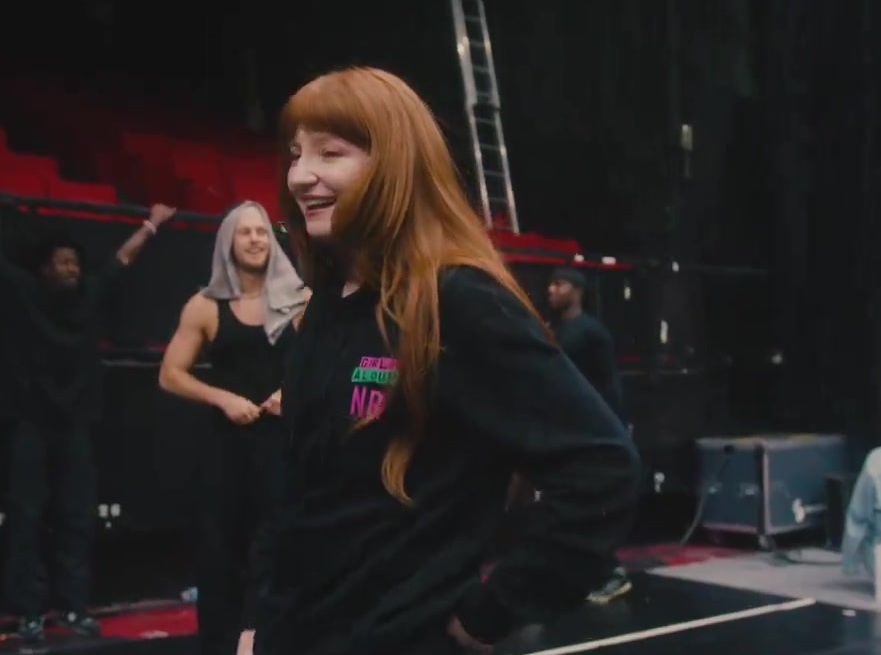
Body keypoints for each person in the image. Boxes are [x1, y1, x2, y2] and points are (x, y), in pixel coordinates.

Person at [239, 68, 641, 655]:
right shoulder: (325, 304)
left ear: (394, 165)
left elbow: (602, 469)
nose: (300, 175)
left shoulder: (458, 299)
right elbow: (297, 491)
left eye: (331, 153)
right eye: (296, 154)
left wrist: (491, 612)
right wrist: (258, 621)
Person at [0, 177, 176, 641]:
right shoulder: (21, 290)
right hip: (29, 425)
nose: (71, 267)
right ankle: (28, 612)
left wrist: (152, 223)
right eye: (62, 261)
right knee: (26, 519)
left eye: (75, 261)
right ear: (44, 267)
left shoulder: (90, 292)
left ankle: (72, 607)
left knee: (76, 520)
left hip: (76, 427)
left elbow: (123, 258)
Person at [158, 201, 306, 655]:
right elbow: (170, 374)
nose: (256, 239)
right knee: (220, 554)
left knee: (278, 550)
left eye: (261, 231)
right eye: (245, 232)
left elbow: (326, 363)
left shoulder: (301, 301)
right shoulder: (205, 305)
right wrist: (222, 398)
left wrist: (291, 393)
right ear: (228, 241)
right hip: (225, 449)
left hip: (283, 446)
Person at [544, 266, 633, 603]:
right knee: (562, 503)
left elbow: (608, 381)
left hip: (590, 430)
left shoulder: (592, 331)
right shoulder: (553, 329)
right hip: (562, 428)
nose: (551, 290)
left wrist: (616, 426)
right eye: (551, 284)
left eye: (559, 284)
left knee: (592, 502)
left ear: (577, 290)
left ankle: (611, 572)